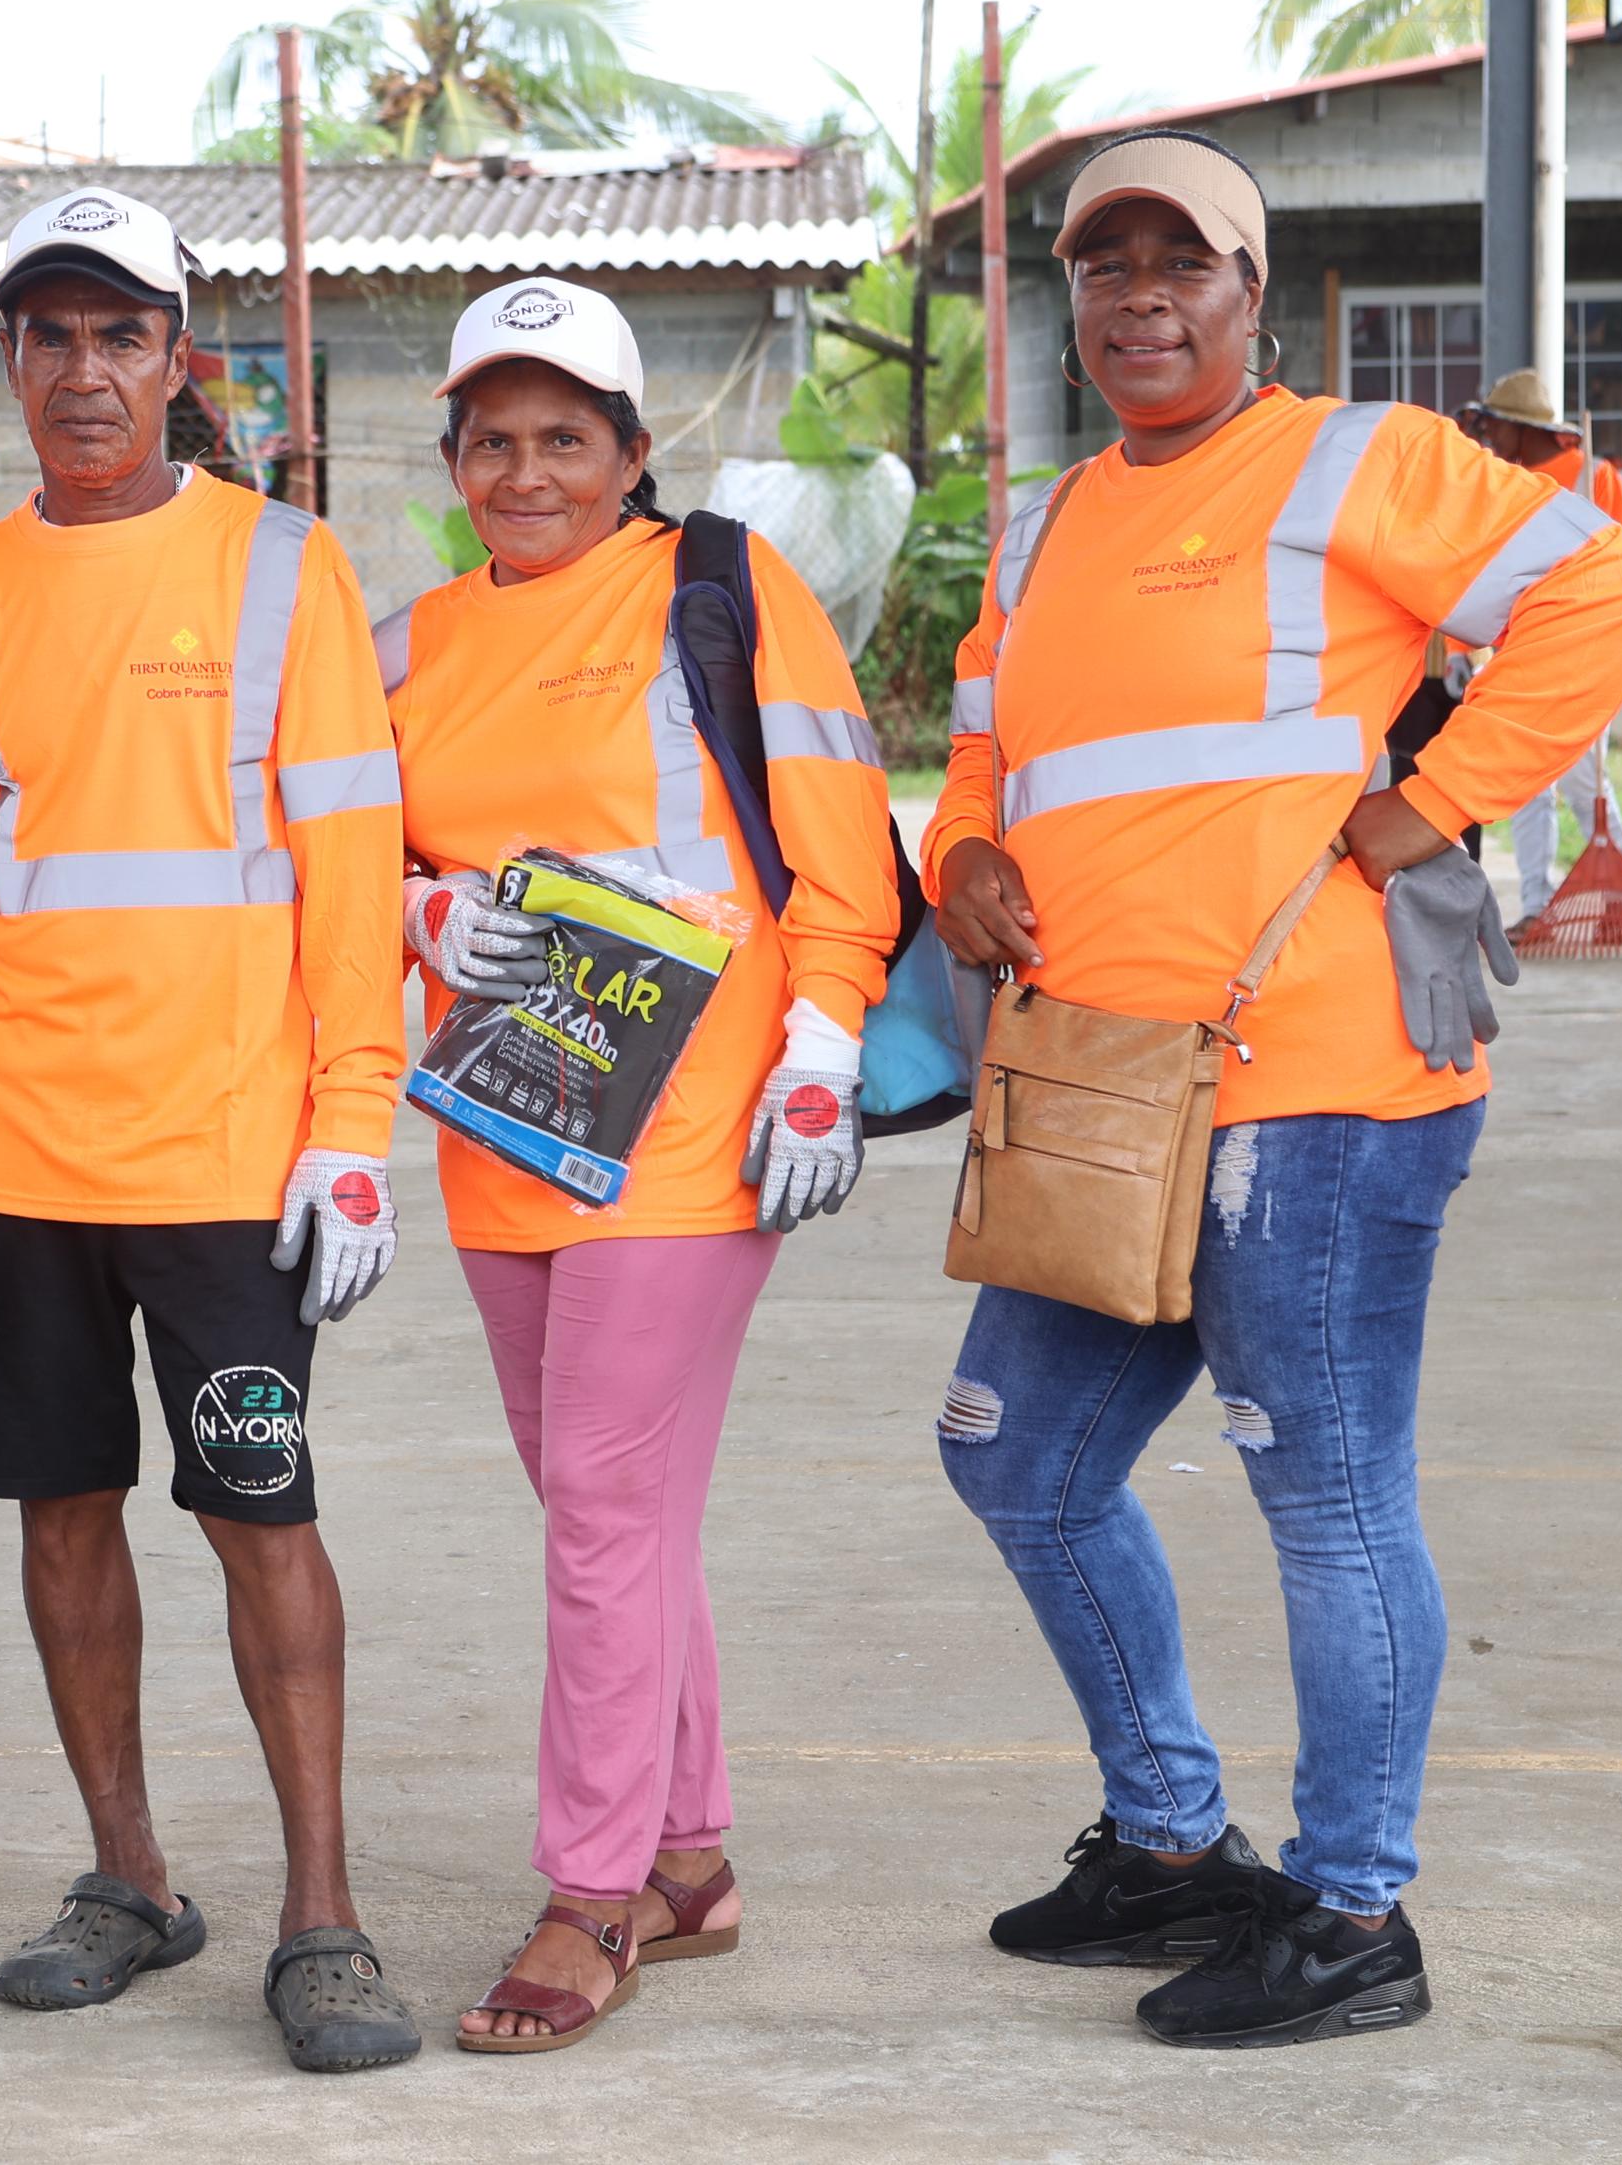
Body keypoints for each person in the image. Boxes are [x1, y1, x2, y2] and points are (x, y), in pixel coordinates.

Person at [926, 127, 1622, 2049]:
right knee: (1018, 1447)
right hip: (1107, 1083)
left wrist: (1430, 802)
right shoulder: (1043, 519)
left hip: (1317, 1082)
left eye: (1187, 265)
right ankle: (1174, 1845)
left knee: (1324, 1496)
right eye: (1109, 268)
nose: (1144, 300)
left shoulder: (1367, 458)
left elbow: (1606, 588)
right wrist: (960, 854)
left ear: (1254, 293)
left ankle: (1352, 1911)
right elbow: (989, 736)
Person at [0, 186, 423, 2074]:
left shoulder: (288, 568)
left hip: (225, 1153)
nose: (87, 371)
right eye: (51, 336)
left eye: (124, 335)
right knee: (62, 1518)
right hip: (19, 1163)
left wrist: (353, 1124)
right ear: (9, 363)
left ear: (184, 364)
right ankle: (130, 1880)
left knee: (262, 1519)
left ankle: (325, 1918)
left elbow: (355, 868)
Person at [371, 278, 895, 2053]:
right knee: (611, 1507)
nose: (528, 472)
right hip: (514, 1110)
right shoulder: (418, 635)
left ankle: (590, 1892)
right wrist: (432, 912)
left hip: (694, 1125)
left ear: (631, 449)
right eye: (494, 441)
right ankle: (687, 1859)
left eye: (564, 438)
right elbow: (354, 866)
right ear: (454, 459)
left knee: (602, 1498)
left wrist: (822, 1053)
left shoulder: (721, 593)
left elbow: (841, 853)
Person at [1457, 367, 1622, 918]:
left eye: (1496, 427)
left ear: (1521, 427)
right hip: (1524, 652)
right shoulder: (1503, 484)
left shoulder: (1596, 478)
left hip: (1583, 653)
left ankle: (1620, 904)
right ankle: (1539, 907)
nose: (1490, 439)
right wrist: (1467, 651)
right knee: (1531, 787)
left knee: (1587, 784)